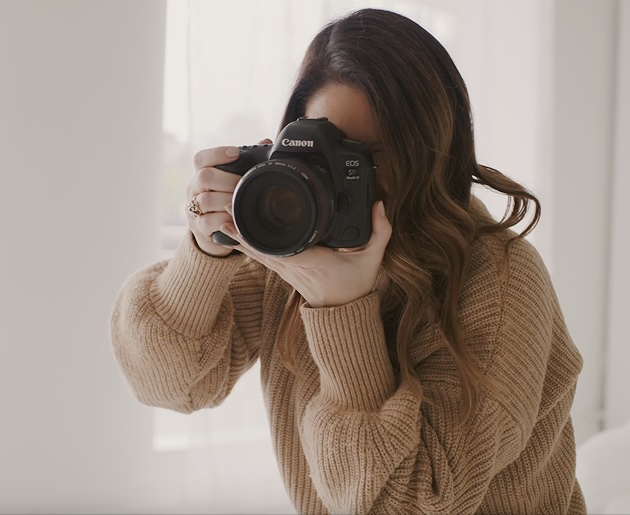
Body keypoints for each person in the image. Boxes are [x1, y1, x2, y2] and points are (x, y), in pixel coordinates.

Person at [111, 8, 585, 514]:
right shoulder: (294, 232)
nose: (340, 179)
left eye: (366, 159)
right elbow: (169, 384)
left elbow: (403, 505)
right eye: (325, 151)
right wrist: (205, 252)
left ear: (433, 153)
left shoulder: (501, 279)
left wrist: (341, 309)